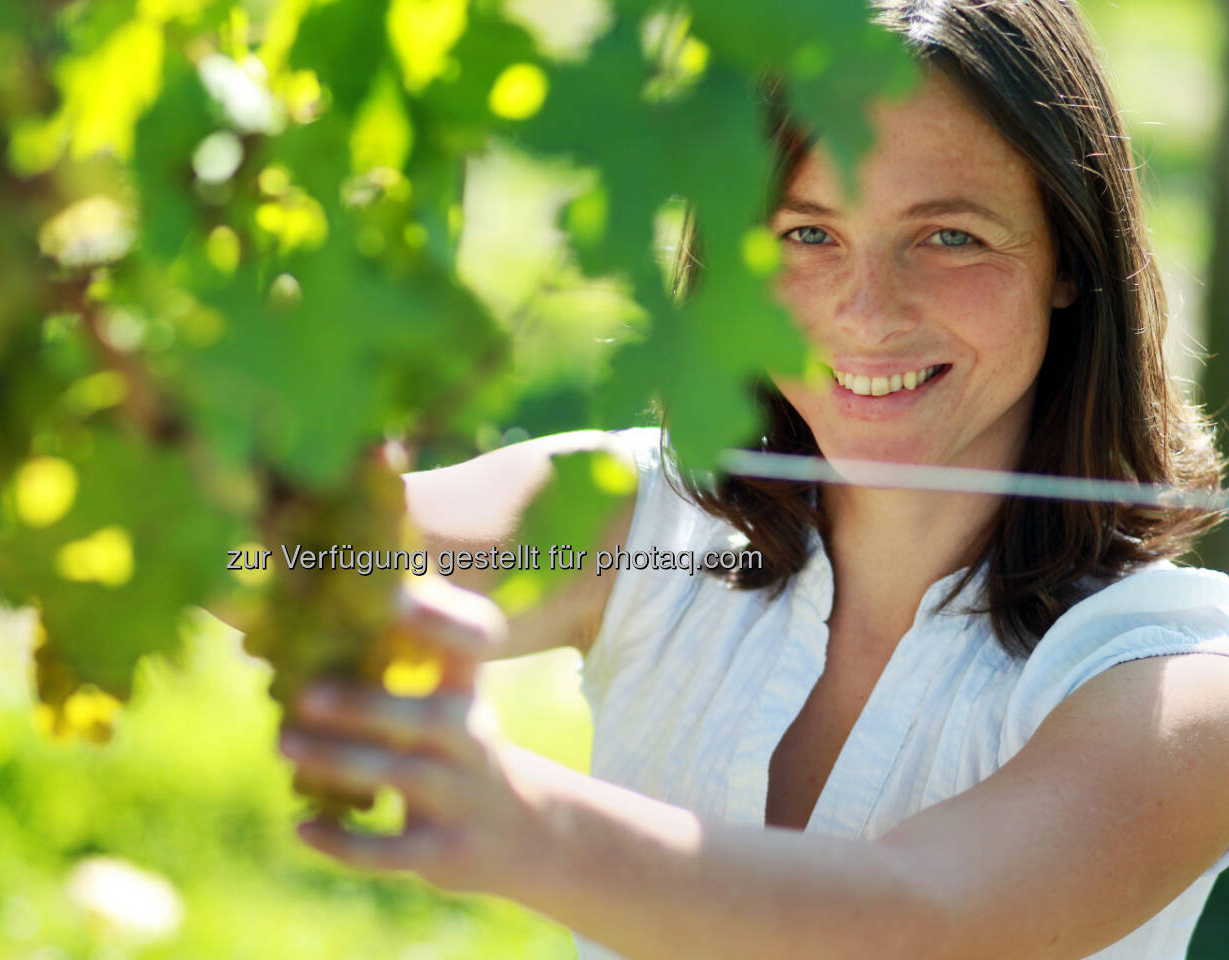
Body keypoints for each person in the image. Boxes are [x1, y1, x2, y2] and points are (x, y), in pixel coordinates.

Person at [272, 1, 1229, 957]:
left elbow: (924, 920)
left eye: (948, 237)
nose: (867, 314)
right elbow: (277, 558)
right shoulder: (641, 526)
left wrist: (515, 820)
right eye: (808, 235)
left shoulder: (1179, 677)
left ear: (1069, 256)